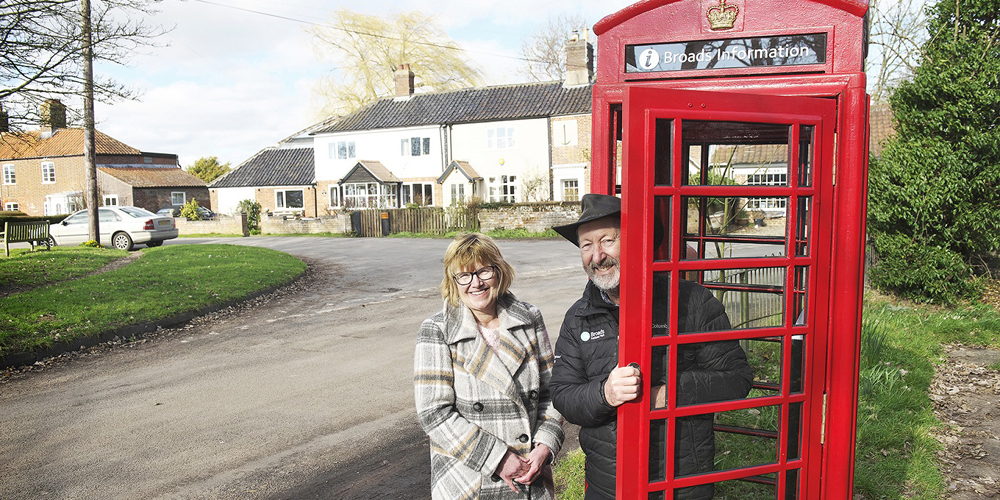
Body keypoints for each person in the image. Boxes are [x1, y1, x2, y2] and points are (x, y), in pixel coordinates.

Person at [549, 194, 753, 500]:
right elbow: (563, 395)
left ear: (636, 242)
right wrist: (605, 393)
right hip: (609, 485)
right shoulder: (577, 318)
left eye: (607, 240)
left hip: (681, 481)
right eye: (586, 245)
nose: (597, 255)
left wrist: (667, 395)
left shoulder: (691, 302)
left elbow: (736, 379)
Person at [414, 233, 565, 499]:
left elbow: (552, 392)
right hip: (468, 481)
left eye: (484, 271)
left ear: (500, 272)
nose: (476, 283)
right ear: (453, 281)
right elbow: (434, 413)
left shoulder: (530, 318)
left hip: (531, 474)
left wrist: (545, 446)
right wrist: (496, 458)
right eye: (464, 275)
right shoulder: (437, 330)